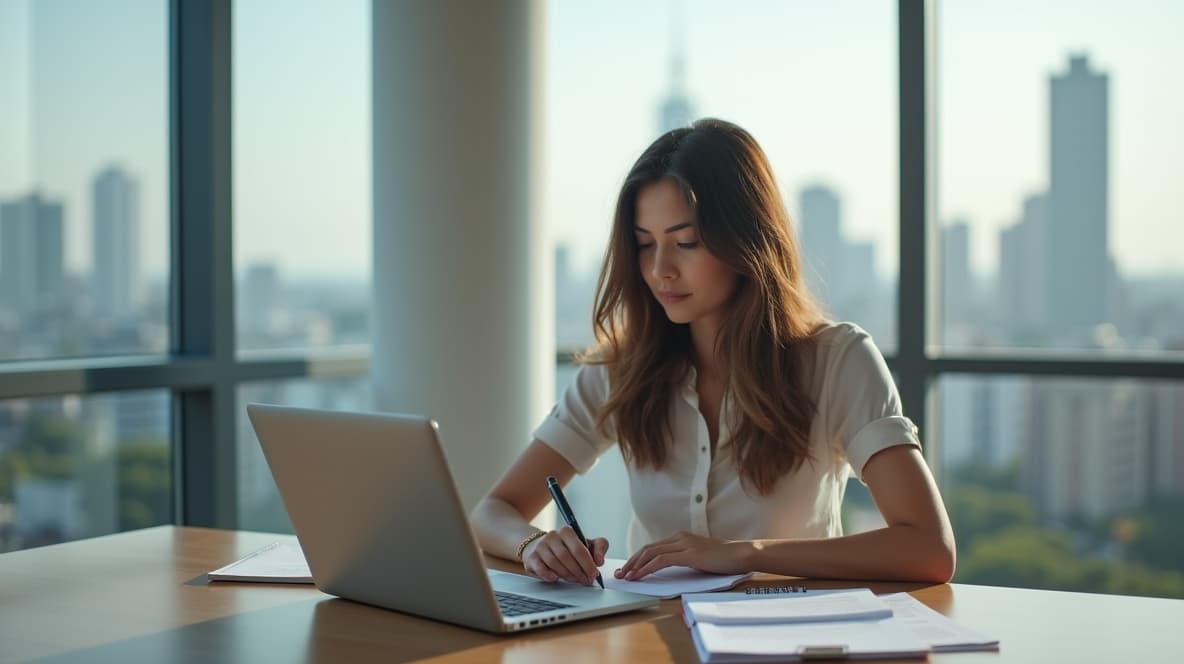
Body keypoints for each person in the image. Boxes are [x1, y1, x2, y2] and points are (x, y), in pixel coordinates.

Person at [470, 118, 955, 587]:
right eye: (643, 245)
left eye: (686, 242)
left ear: (746, 240)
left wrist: (746, 553)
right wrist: (532, 544)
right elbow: (493, 512)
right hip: (653, 639)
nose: (660, 269)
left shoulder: (838, 360)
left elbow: (928, 549)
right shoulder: (622, 368)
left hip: (793, 636)